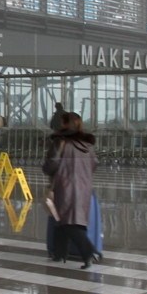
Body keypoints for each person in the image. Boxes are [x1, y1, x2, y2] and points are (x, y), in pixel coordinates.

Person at [42, 111, 98, 269]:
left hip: (65, 187)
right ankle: (59, 253)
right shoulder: (87, 145)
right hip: (84, 187)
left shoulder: (61, 142)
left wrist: (46, 167)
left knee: (68, 223)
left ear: (66, 124)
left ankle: (88, 252)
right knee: (61, 220)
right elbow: (94, 164)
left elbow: (51, 165)